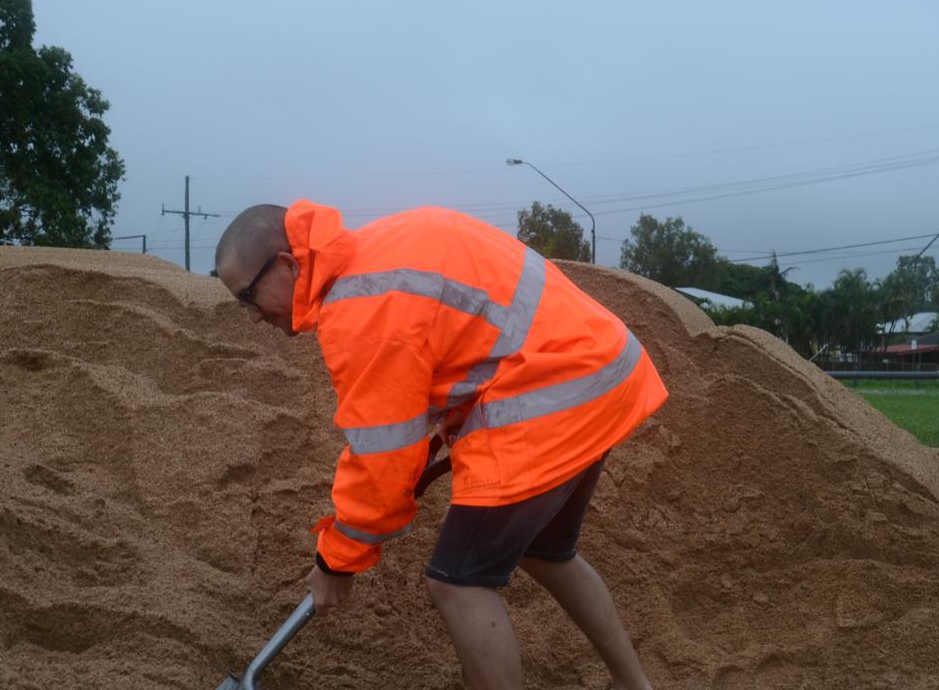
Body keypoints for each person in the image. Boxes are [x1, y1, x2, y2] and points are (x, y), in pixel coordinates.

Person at [216, 200, 668, 690]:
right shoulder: (378, 251)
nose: (253, 318)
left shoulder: (360, 310)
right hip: (603, 370)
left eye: (247, 297)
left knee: (458, 582)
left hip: (552, 396)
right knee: (545, 550)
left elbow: (380, 465)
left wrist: (336, 560)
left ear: (284, 264)